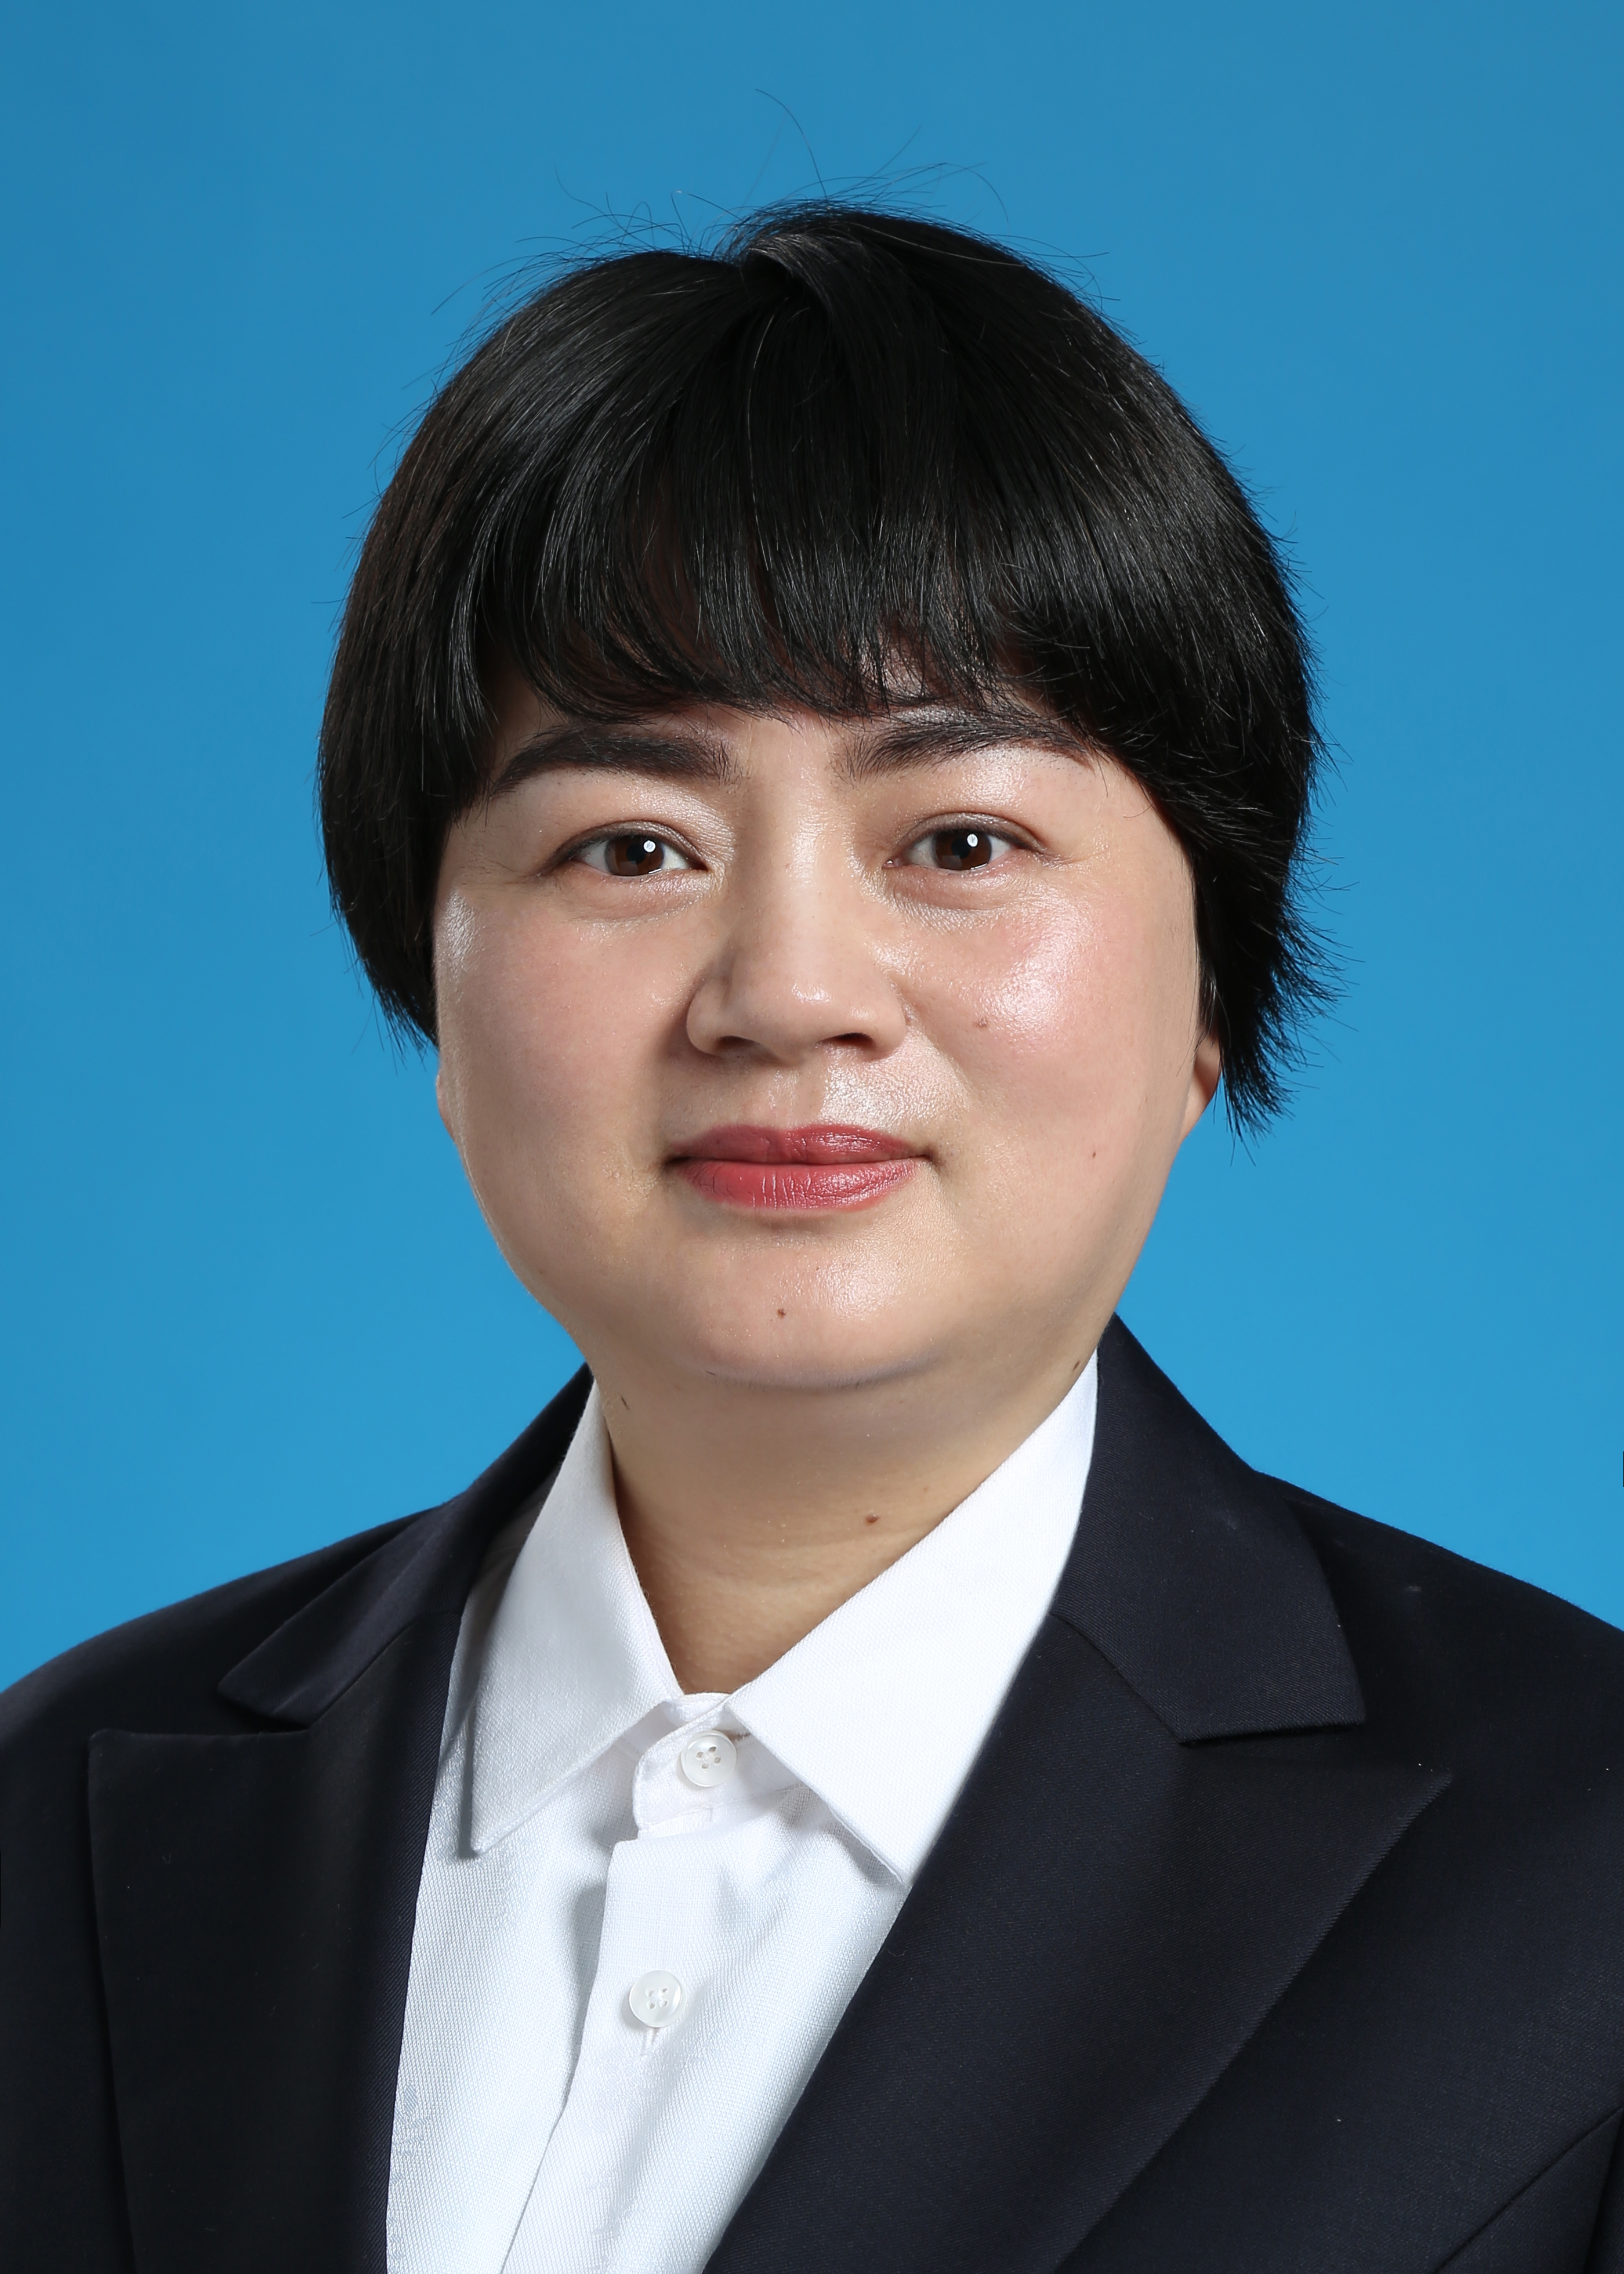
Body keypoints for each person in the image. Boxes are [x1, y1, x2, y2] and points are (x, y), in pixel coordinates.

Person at [3, 205, 1622, 2274]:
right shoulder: (50, 1809)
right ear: (437, 986)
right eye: (631, 846)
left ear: (1211, 993)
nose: (788, 992)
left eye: (961, 839)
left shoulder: (1578, 1878)